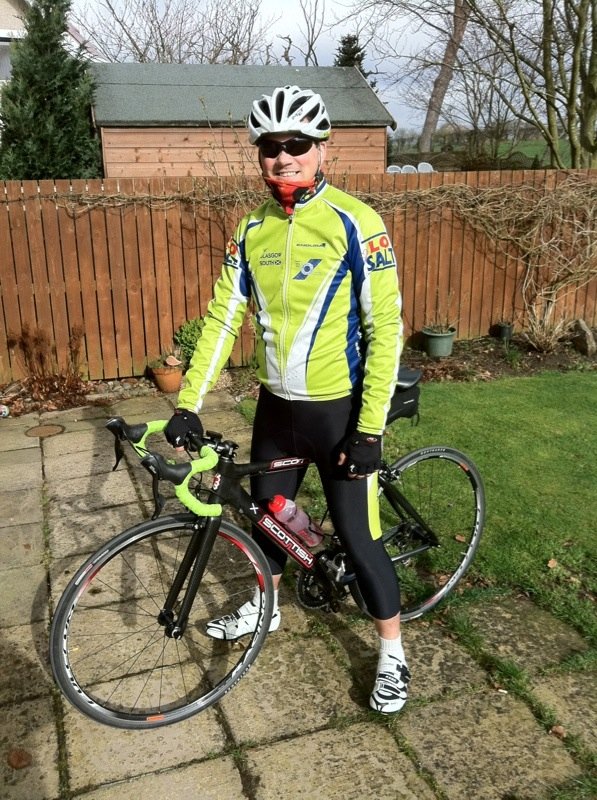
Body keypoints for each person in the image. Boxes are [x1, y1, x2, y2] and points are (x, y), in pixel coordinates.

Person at [165, 85, 410, 714]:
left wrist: (370, 429)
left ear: (322, 148)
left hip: (340, 412)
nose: (283, 156)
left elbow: (386, 329)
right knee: (269, 516)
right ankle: (267, 606)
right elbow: (224, 318)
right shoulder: (252, 229)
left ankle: (392, 653)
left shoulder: (357, 222)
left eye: (296, 143)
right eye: (270, 146)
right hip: (277, 408)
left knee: (357, 536)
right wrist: (188, 403)